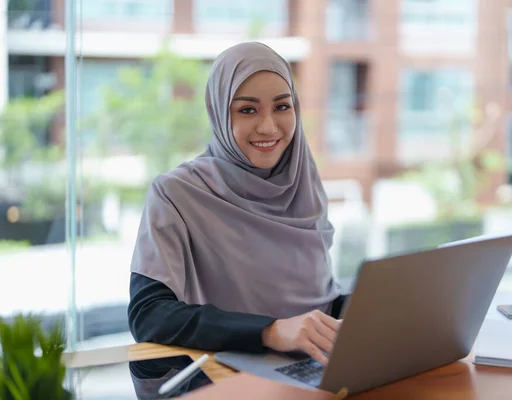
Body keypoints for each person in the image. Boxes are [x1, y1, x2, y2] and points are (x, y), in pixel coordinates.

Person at [127, 42, 347, 366]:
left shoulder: (302, 185)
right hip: (226, 379)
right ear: (218, 112)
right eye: (247, 110)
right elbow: (149, 315)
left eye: (282, 107)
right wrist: (269, 331)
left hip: (315, 370)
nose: (268, 126)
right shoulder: (176, 194)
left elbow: (317, 300)